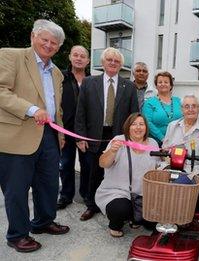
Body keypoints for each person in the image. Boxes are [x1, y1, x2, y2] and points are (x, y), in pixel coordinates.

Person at [0, 19, 69, 253]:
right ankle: (17, 235)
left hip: (49, 136)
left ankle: (43, 222)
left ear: (59, 47)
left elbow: (55, 107)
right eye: (45, 39)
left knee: (49, 184)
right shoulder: (11, 56)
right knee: (17, 189)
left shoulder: (57, 72)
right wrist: (31, 110)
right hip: (17, 135)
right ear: (33, 37)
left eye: (54, 43)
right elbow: (1, 91)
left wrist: (59, 135)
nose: (49, 45)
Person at [75, 47, 139, 221]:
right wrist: (80, 137)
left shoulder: (130, 86)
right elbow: (80, 112)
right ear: (102, 63)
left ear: (121, 65)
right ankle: (91, 205)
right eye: (109, 60)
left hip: (118, 136)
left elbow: (134, 114)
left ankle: (114, 204)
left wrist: (131, 139)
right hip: (93, 135)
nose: (112, 63)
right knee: (91, 171)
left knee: (115, 171)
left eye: (116, 61)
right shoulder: (89, 83)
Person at [95, 113, 160, 237]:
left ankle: (135, 218)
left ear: (146, 127)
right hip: (118, 191)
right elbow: (102, 163)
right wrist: (112, 151)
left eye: (141, 124)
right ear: (127, 127)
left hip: (143, 194)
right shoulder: (119, 140)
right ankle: (115, 225)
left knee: (152, 223)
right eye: (134, 124)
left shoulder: (153, 143)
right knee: (120, 209)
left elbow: (158, 168)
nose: (138, 127)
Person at [57, 45, 91, 210]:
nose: (79, 58)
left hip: (85, 131)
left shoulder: (92, 80)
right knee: (66, 163)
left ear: (88, 60)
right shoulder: (60, 77)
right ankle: (66, 195)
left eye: (82, 56)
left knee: (87, 165)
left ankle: (86, 194)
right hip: (65, 129)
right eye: (75, 55)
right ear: (70, 57)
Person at [163, 95, 199, 174]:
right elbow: (164, 151)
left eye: (194, 106)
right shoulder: (172, 125)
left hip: (196, 170)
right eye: (187, 106)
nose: (190, 109)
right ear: (181, 110)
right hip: (173, 167)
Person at [142, 71, 182, 146]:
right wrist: (162, 138)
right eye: (160, 82)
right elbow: (148, 122)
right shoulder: (149, 102)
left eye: (166, 82)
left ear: (171, 86)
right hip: (156, 143)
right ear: (156, 86)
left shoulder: (179, 101)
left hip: (177, 141)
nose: (163, 84)